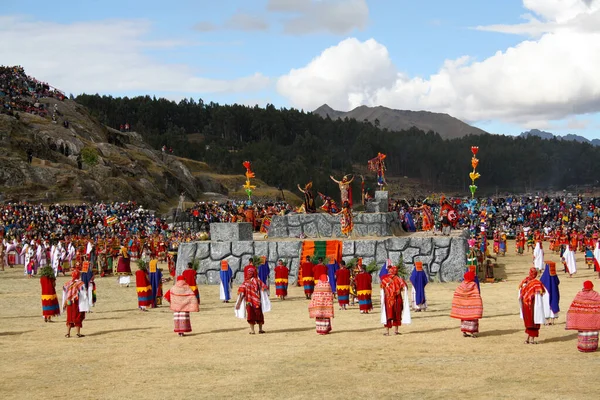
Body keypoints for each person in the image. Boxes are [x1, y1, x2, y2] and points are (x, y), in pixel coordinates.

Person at [566, 281, 600, 352]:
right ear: (592, 286)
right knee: (592, 333)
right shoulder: (596, 294)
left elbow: (574, 306)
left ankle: (583, 347)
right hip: (593, 319)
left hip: (582, 320)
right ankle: (592, 347)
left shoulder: (580, 294)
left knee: (583, 333)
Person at [235, 266, 269, 334]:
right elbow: (265, 287)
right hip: (257, 302)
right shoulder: (257, 281)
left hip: (249, 302)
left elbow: (242, 293)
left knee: (250, 316)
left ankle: (252, 330)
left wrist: (239, 303)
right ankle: (260, 329)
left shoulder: (245, 283)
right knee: (259, 315)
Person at [450, 271, 483, 338]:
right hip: (472, 307)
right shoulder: (474, 285)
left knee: (464, 319)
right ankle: (472, 333)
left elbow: (457, 293)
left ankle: (464, 332)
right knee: (472, 320)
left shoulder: (462, 284)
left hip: (463, 307)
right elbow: (476, 295)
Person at [519, 267, 546, 344]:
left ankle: (527, 339)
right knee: (534, 321)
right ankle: (531, 339)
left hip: (525, 304)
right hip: (533, 305)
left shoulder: (525, 281)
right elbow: (542, 292)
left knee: (528, 321)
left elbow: (520, 291)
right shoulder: (536, 283)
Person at [380, 265, 409, 335]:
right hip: (397, 299)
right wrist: (399, 290)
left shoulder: (385, 279)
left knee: (388, 315)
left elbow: (382, 287)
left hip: (388, 300)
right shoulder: (399, 279)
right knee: (397, 314)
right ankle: (396, 331)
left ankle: (387, 332)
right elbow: (405, 287)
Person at [61, 269, 90, 338]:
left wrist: (64, 302)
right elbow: (84, 294)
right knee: (77, 316)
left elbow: (64, 293)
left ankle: (68, 333)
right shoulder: (80, 283)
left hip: (69, 302)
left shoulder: (67, 283)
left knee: (69, 317)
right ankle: (77, 333)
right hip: (76, 303)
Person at [539, 261, 560, 325]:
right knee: (553, 303)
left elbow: (541, 282)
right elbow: (558, 282)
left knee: (546, 305)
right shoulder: (554, 276)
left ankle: (547, 321)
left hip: (546, 294)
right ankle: (552, 321)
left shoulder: (544, 276)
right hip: (554, 293)